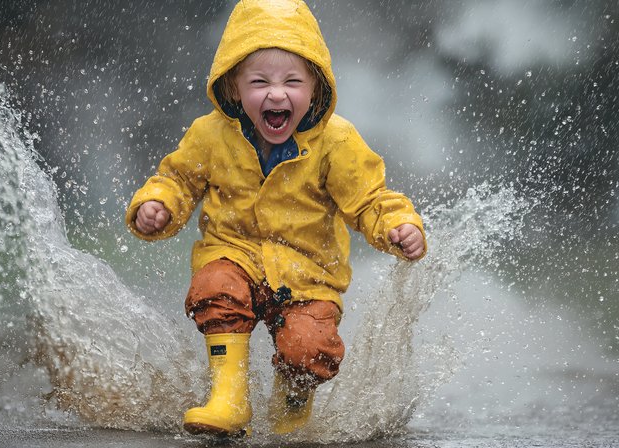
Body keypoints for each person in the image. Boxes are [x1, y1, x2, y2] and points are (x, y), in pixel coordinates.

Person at [125, 0, 426, 437]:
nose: (277, 93)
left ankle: (290, 416)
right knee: (216, 286)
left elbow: (369, 200)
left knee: (308, 348)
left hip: (310, 273)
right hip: (235, 252)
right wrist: (159, 205)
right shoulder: (209, 135)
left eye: (293, 81)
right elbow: (177, 179)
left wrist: (398, 226)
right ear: (233, 87)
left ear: (316, 87)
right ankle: (229, 400)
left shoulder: (336, 141)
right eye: (259, 81)